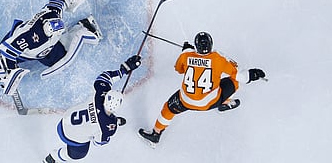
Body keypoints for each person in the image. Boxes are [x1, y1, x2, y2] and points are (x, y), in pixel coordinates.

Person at [138, 31, 266, 148]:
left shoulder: (186, 55)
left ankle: (155, 134)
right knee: (233, 81)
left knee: (168, 109)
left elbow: (179, 69)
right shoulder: (218, 58)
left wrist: (185, 52)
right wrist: (253, 73)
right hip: (209, 102)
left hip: (185, 101)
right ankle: (225, 102)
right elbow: (241, 76)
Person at [43, 55, 142, 163]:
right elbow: (98, 143)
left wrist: (124, 69)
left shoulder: (100, 94)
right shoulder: (108, 127)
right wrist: (110, 123)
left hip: (64, 121)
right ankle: (52, 158)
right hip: (72, 137)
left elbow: (105, 77)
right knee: (79, 154)